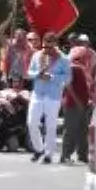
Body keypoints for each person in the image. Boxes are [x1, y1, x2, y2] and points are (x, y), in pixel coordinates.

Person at [26, 31, 70, 164]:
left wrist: (52, 77)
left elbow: (68, 77)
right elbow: (29, 72)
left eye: (49, 47)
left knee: (50, 126)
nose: (46, 50)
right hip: (38, 93)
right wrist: (37, 74)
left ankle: (48, 154)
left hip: (53, 96)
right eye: (44, 46)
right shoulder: (37, 55)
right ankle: (39, 149)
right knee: (31, 122)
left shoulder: (64, 59)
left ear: (55, 45)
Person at [60, 43, 92, 164]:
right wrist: (78, 101)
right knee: (70, 130)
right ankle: (65, 155)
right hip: (73, 104)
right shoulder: (73, 67)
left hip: (83, 104)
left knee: (83, 131)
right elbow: (67, 85)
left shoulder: (82, 68)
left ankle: (82, 155)